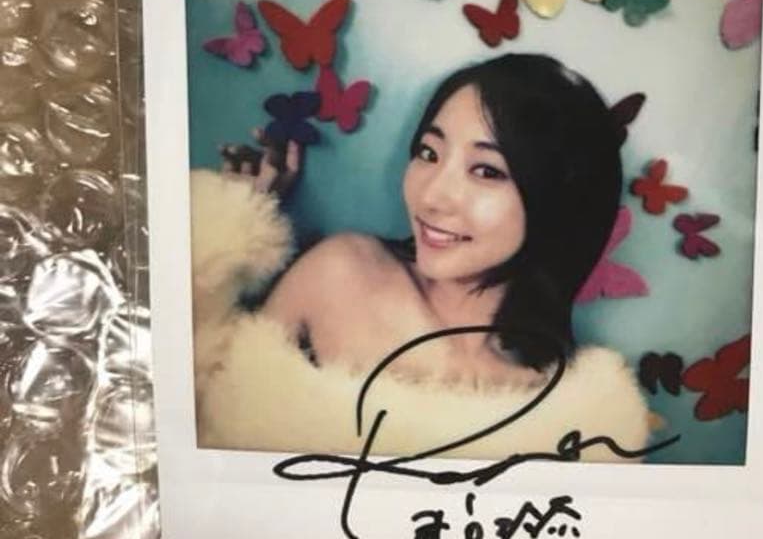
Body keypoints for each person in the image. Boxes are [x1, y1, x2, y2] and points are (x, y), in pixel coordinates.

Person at [190, 54, 653, 459]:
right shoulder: (343, 274)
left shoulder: (569, 408)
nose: (431, 196)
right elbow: (207, 414)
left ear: (557, 200)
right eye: (429, 153)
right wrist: (234, 216)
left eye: (486, 171)